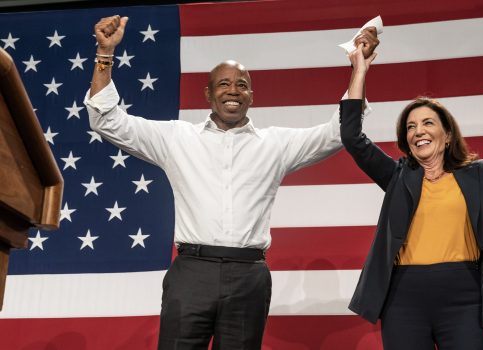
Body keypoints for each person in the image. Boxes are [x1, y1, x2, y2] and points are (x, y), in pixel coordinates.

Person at [85, 16, 378, 350]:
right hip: (191, 272)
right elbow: (107, 120)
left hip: (248, 275)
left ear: (251, 95)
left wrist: (360, 68)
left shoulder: (275, 144)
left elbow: (339, 131)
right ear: (209, 93)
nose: (233, 91)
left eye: (241, 84)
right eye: (224, 84)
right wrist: (105, 53)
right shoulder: (177, 138)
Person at [340, 44, 483, 349]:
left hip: (464, 298)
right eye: (410, 127)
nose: (418, 130)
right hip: (403, 300)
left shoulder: (476, 175)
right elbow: (352, 138)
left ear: (447, 135)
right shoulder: (396, 176)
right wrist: (360, 71)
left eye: (427, 122)